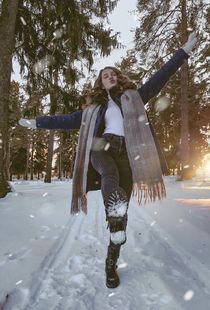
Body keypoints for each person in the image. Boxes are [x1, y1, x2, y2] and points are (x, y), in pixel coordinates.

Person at [19, 32, 197, 289]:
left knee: (121, 217)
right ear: (100, 83)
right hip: (102, 146)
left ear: (119, 78)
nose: (110, 76)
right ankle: (113, 216)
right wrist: (37, 122)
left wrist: (184, 51)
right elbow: (67, 120)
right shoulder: (94, 109)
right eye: (106, 75)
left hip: (130, 153)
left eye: (114, 73)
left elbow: (161, 76)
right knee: (109, 176)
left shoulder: (135, 96)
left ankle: (111, 261)